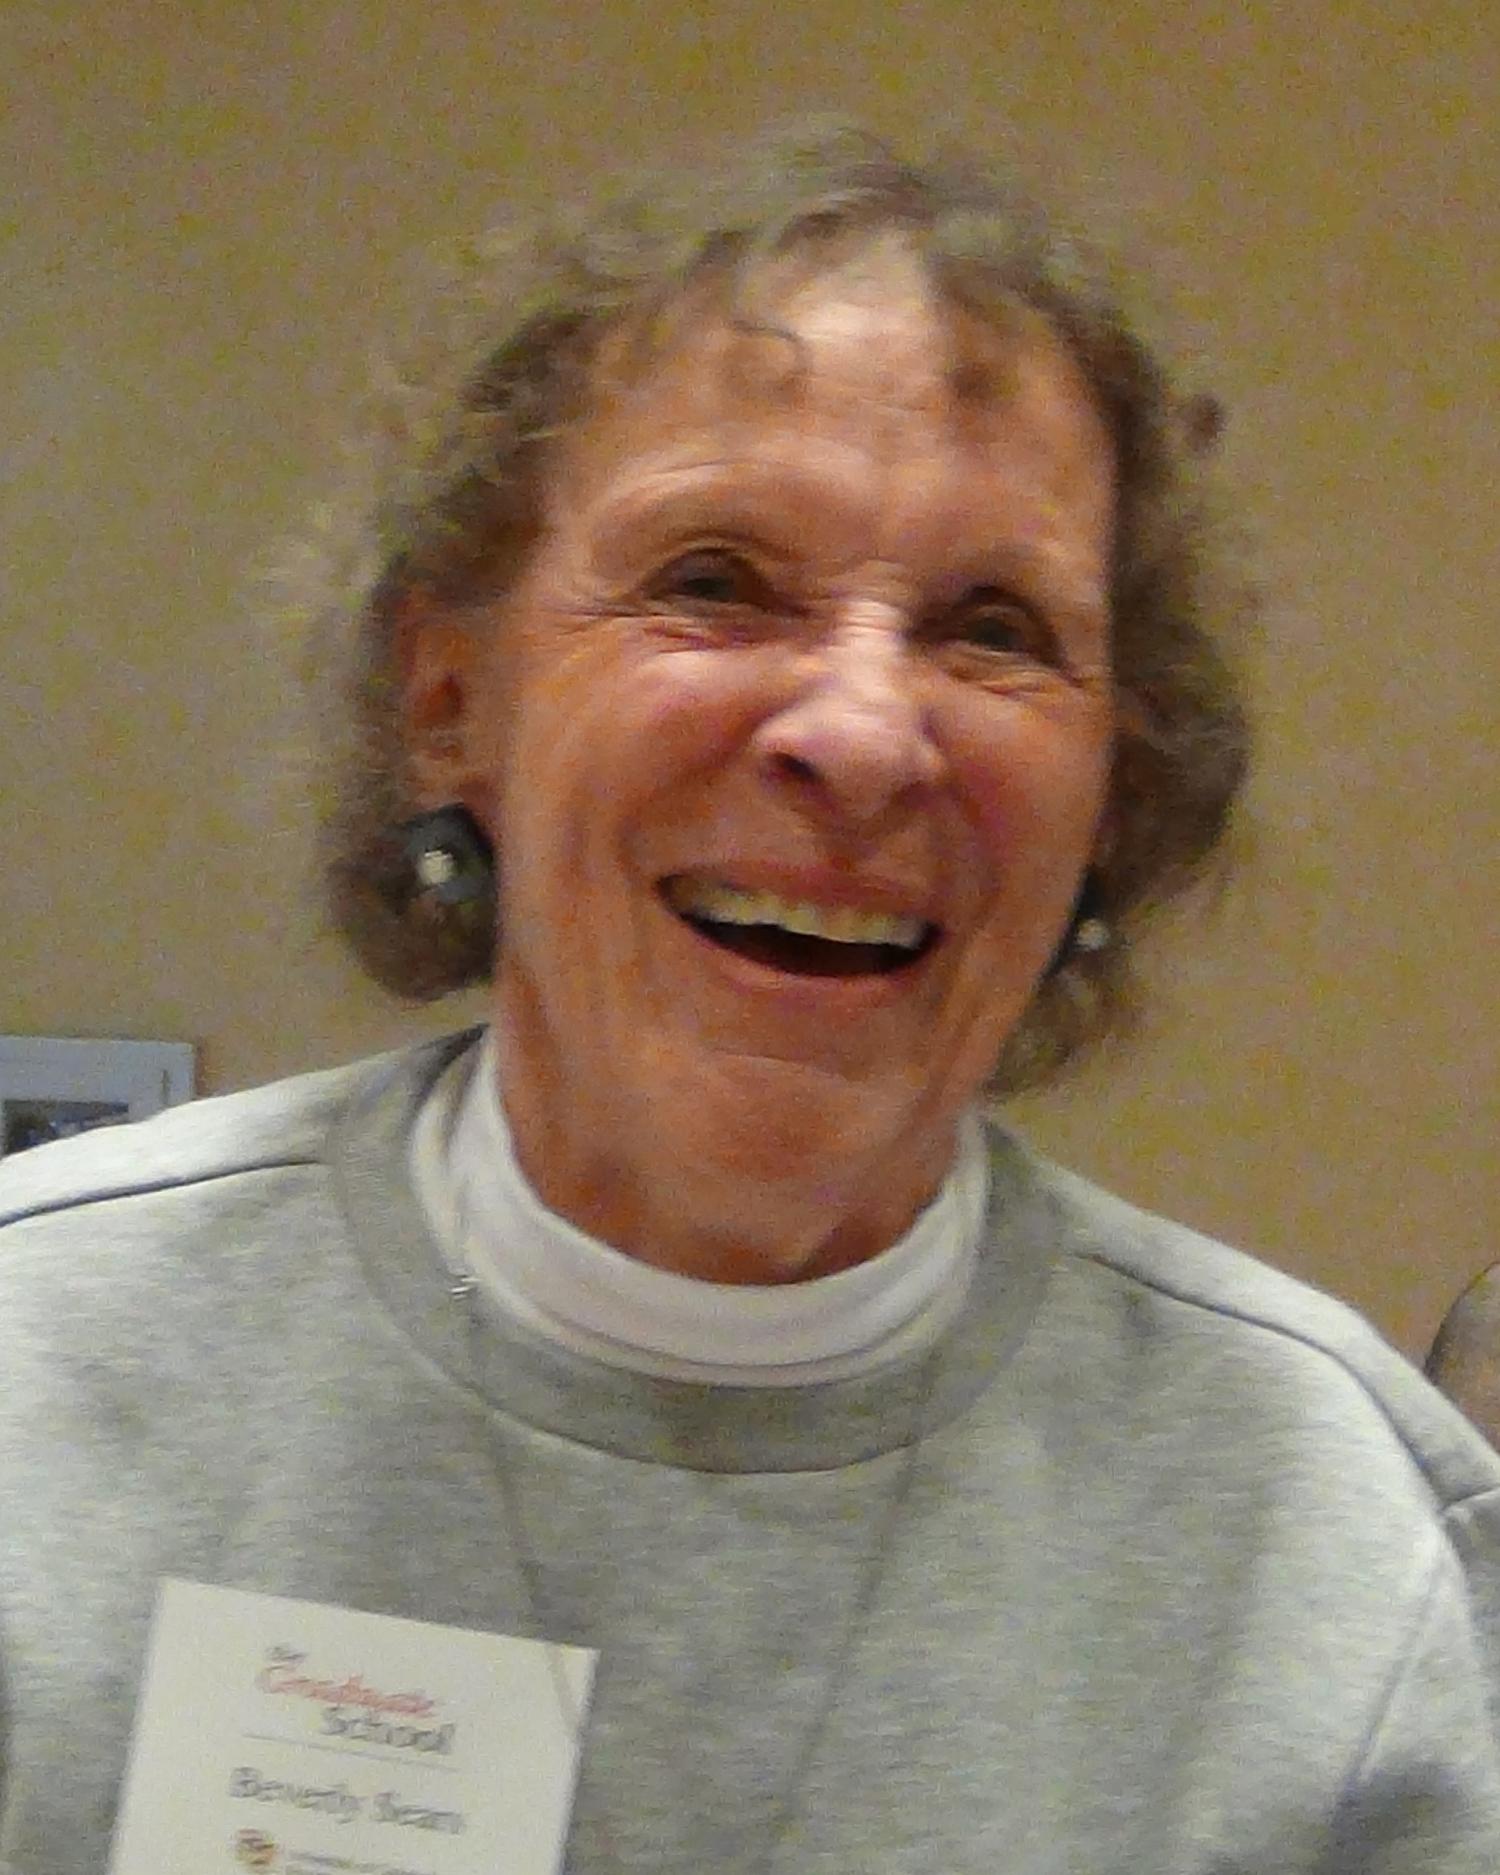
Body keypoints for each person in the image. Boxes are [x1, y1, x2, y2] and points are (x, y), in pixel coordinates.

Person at [2, 124, 1498, 1874]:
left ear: (1117, 793)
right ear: (450, 701)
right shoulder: (36, 1372)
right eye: (713, 584)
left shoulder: (1336, 1538)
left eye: (993, 626)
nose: (861, 736)